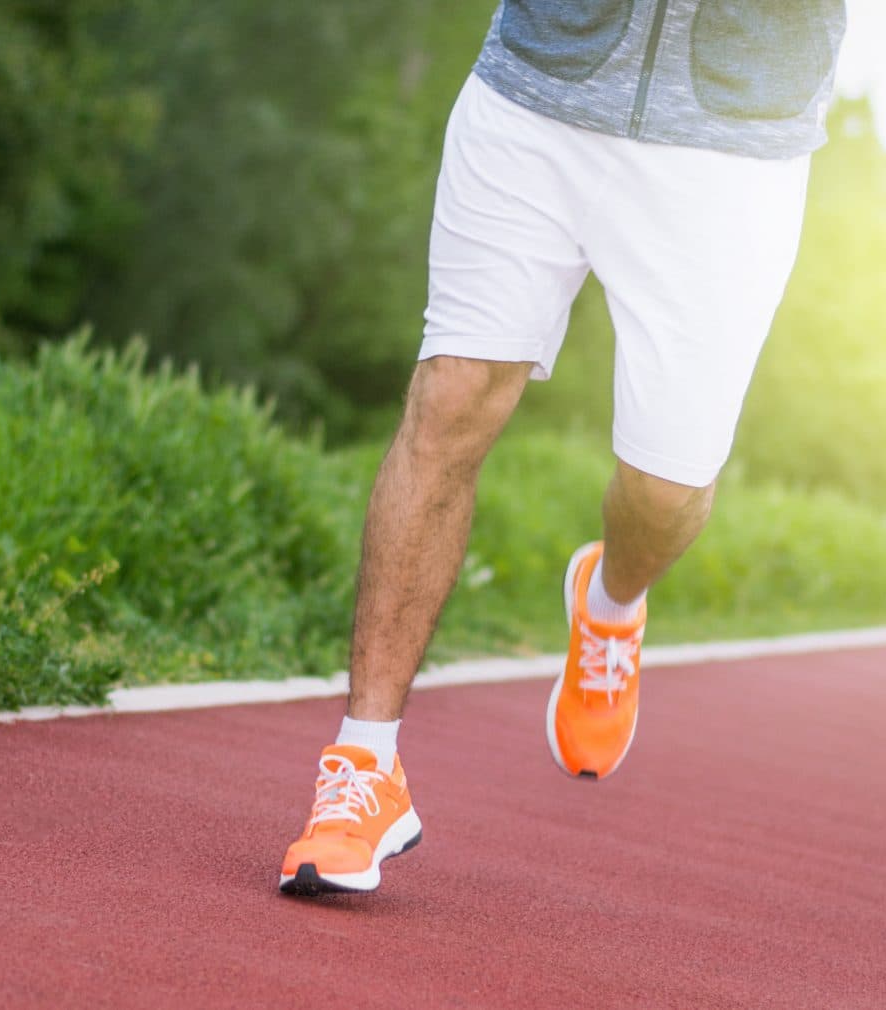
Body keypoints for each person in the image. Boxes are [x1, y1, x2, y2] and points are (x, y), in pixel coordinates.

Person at [279, 0, 849, 896]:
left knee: (666, 490)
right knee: (450, 400)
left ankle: (613, 600)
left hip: (731, 144)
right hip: (536, 90)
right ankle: (362, 772)